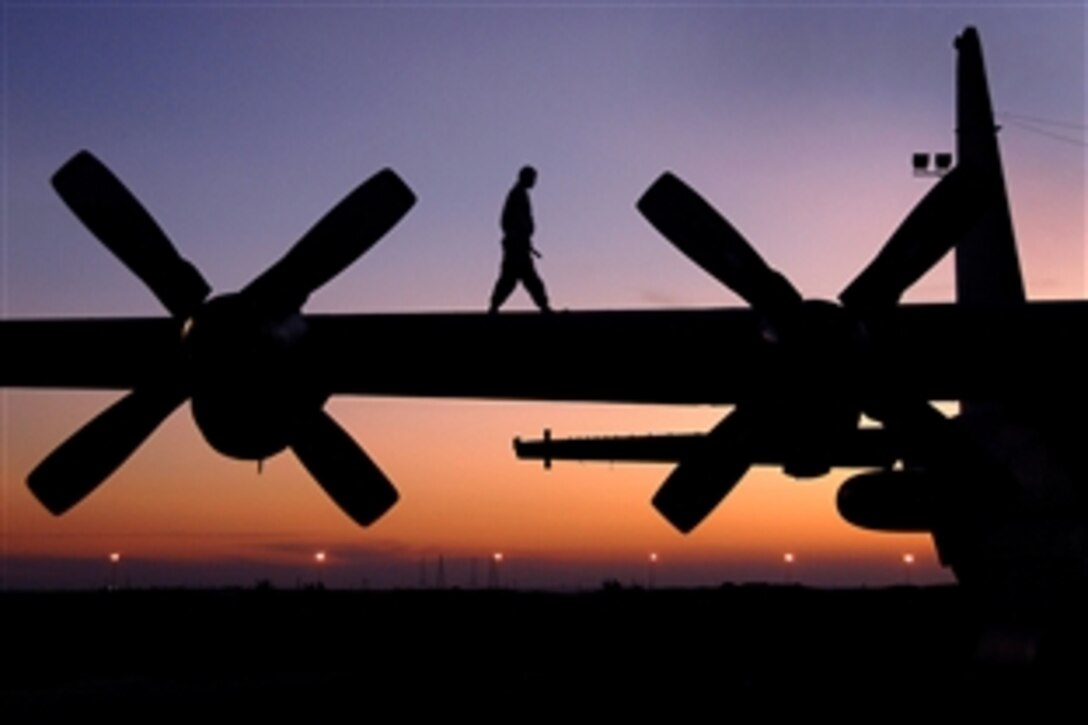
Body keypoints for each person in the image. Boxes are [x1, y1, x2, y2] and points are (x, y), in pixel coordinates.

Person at [488, 165, 551, 313]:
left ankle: (494, 307)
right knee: (522, 278)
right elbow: (507, 221)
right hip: (516, 247)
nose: (534, 182)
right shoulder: (517, 195)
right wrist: (517, 237)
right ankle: (543, 306)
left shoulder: (519, 194)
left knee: (514, 279)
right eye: (532, 178)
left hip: (518, 245)